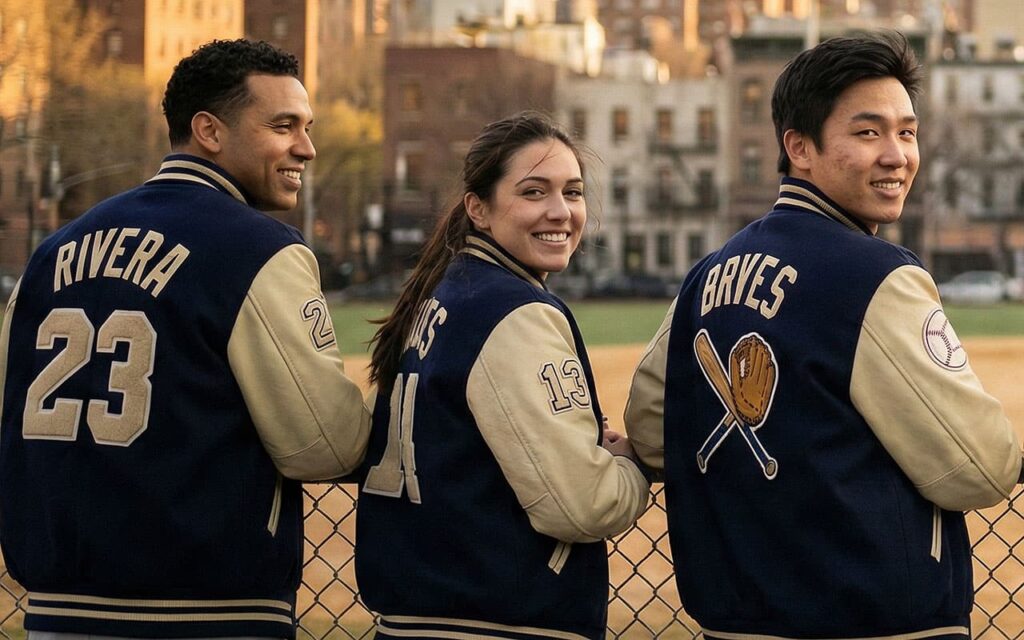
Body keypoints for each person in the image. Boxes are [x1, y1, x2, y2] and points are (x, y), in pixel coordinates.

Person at [625, 31, 1023, 640]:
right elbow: (981, 467)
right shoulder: (877, 275)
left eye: (907, 132)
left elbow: (652, 430)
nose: (896, 155)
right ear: (799, 147)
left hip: (734, 621)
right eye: (868, 133)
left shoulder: (707, 273)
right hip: (876, 622)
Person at [0, 39, 371, 639]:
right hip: (210, 611)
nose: (307, 147)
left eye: (306, 128)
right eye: (283, 126)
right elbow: (328, 447)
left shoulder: (50, 253)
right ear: (209, 131)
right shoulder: (259, 249)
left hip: (54, 609)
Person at [355, 112, 650, 639]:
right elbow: (581, 505)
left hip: (416, 616)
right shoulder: (510, 310)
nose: (560, 211)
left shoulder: (444, 293)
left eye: (573, 192)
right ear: (479, 208)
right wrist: (631, 466)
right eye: (534, 192)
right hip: (499, 619)